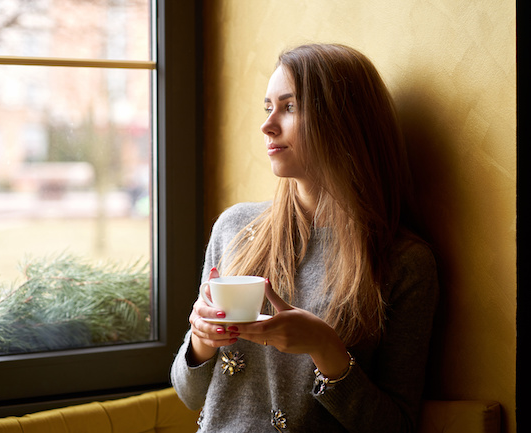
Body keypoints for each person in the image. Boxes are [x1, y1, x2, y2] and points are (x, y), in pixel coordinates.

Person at [170, 43, 439, 433]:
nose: (267, 125)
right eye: (267, 108)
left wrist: (327, 349)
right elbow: (190, 395)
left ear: (343, 120)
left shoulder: (404, 262)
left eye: (289, 107)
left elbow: (395, 425)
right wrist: (201, 341)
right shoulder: (234, 228)